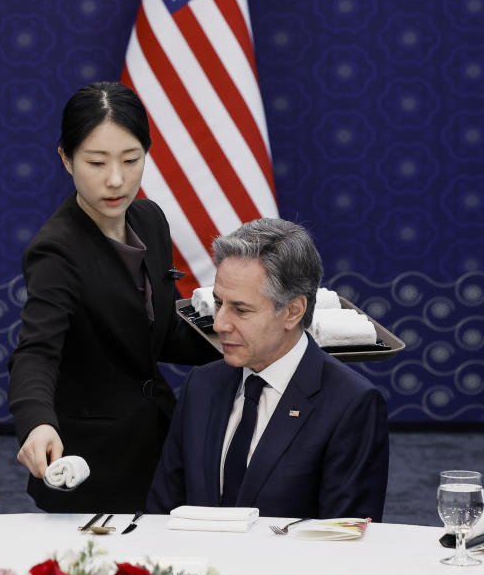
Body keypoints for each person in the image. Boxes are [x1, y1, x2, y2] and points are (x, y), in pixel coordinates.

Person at [7, 81, 221, 513]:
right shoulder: (57, 249)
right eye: (96, 162)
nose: (117, 180)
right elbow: (36, 352)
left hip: (160, 439)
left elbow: (161, 334)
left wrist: (249, 336)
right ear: (66, 159)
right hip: (89, 459)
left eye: (131, 159)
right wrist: (37, 423)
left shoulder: (150, 218)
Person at [146, 218, 389, 520]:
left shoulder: (350, 404)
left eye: (241, 309)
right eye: (218, 303)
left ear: (292, 311)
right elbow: (161, 514)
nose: (219, 323)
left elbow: (343, 538)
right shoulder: (202, 385)